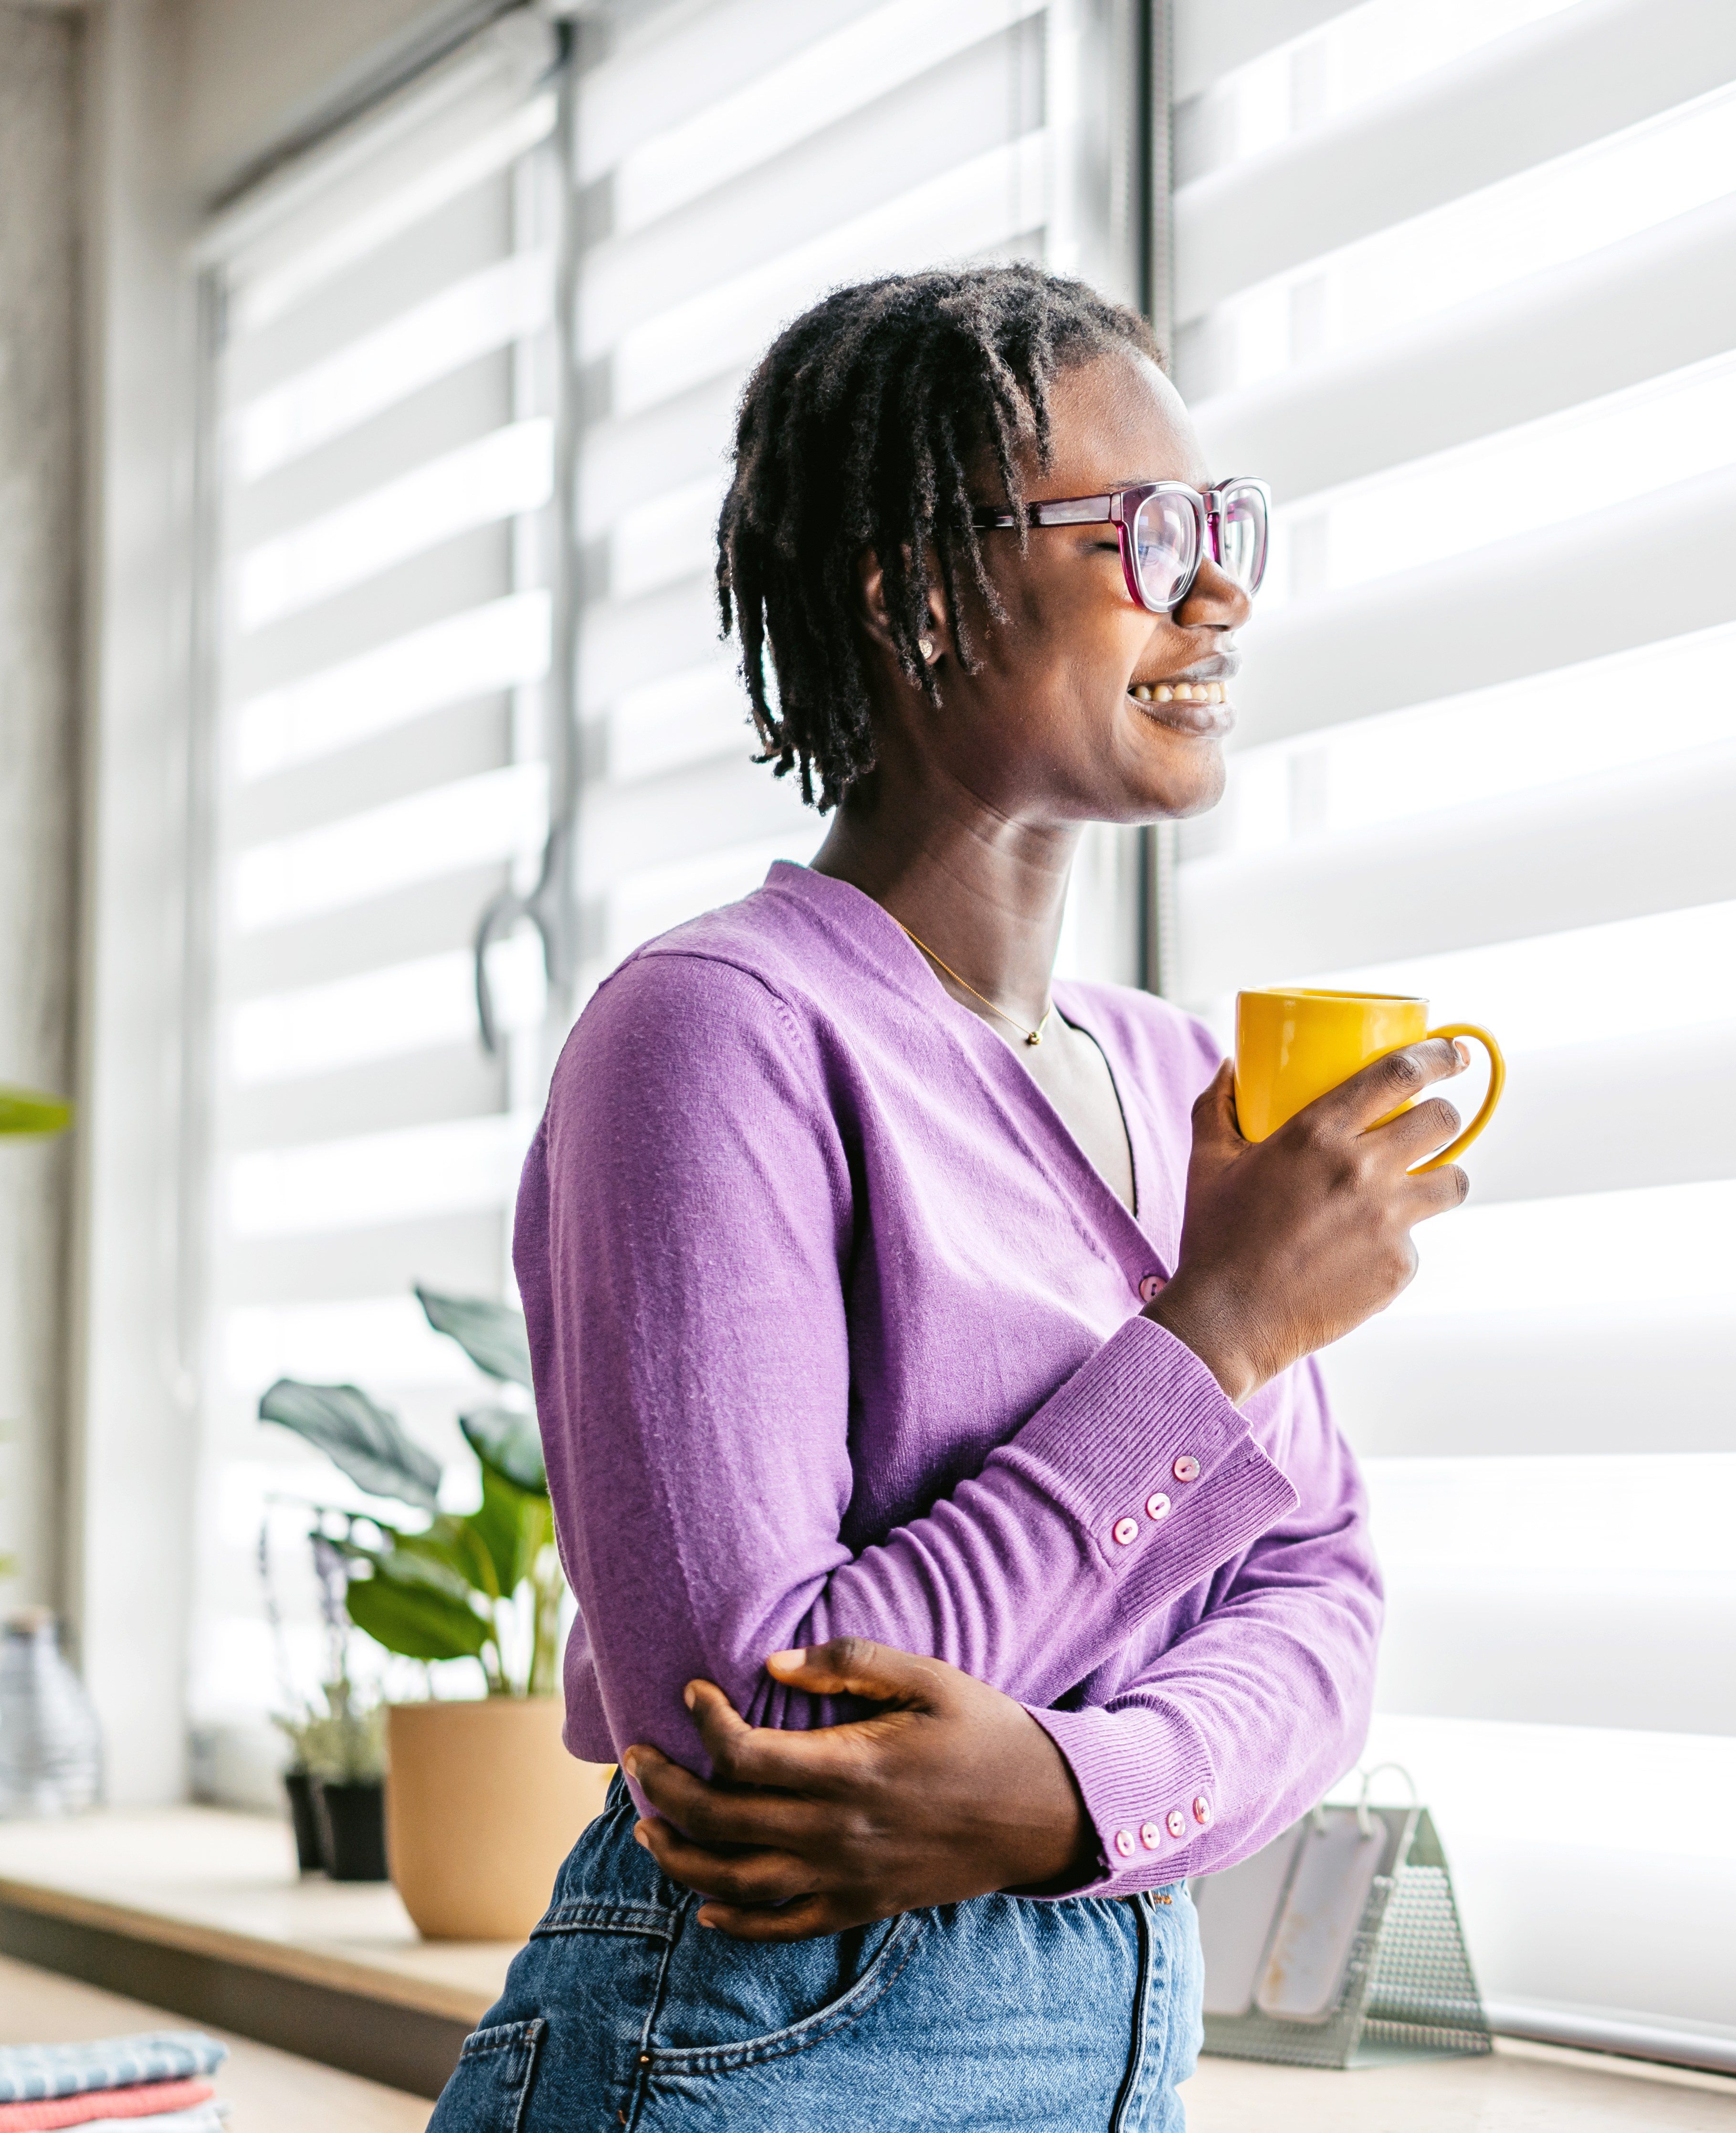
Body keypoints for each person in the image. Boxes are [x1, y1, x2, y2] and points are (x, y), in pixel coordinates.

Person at [427, 266, 1466, 2131]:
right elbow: (762, 1731)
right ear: (913, 587)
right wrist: (1216, 1332)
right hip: (736, 2055)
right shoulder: (711, 1035)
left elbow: (1323, 1602)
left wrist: (1070, 1794)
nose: (1215, 584)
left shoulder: (1174, 1083)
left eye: (1222, 524)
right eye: (1143, 530)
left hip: (1103, 2056)